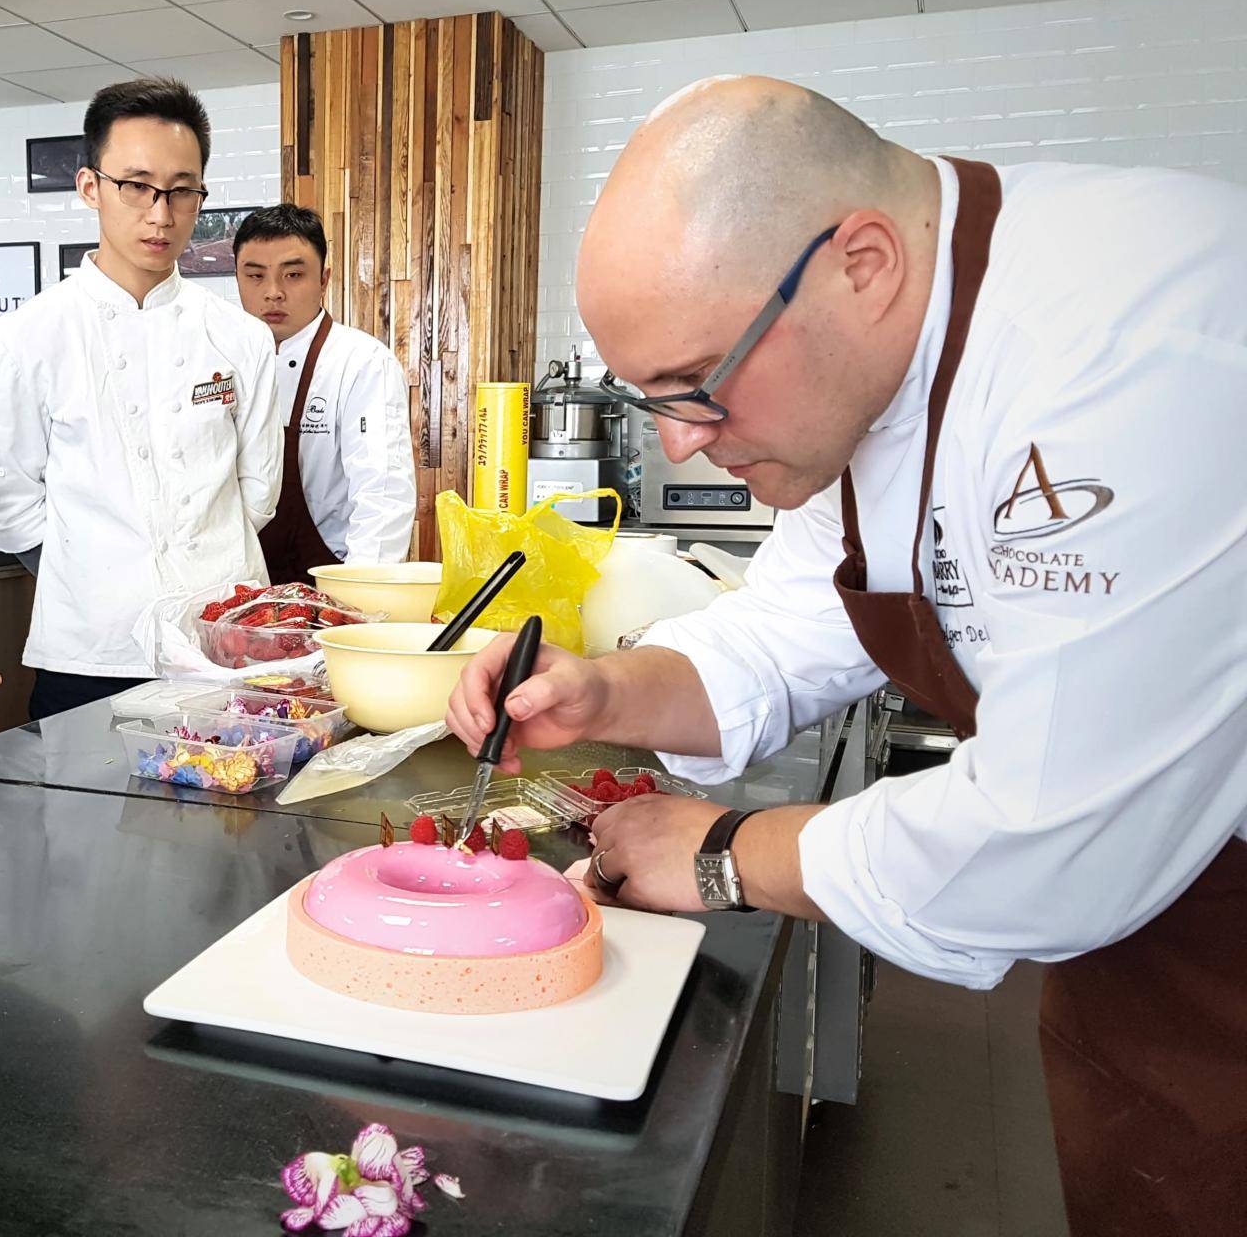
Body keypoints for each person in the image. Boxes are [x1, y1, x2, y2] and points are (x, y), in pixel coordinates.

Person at [447, 75, 1247, 1234]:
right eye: (651, 397)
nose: (681, 440)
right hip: (1152, 937)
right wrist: (604, 690)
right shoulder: (879, 374)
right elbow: (781, 636)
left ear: (860, 261)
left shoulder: (1125, 353)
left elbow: (1052, 833)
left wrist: (723, 853)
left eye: (702, 386)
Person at [0, 78, 281, 721]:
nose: (160, 213)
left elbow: (257, 493)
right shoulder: (24, 338)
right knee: (83, 819)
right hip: (90, 653)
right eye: (136, 186)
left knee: (235, 818)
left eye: (181, 190)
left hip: (225, 645)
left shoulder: (241, 337)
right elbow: (9, 507)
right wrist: (97, 573)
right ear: (91, 187)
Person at [233, 204, 416, 584]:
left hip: (331, 585)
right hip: (242, 586)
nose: (273, 293)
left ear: (324, 279)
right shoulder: (222, 362)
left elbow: (382, 494)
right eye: (255, 276)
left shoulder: (361, 363)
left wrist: (360, 601)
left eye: (294, 274)